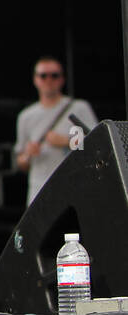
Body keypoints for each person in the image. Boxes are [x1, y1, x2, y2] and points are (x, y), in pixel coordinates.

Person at [14, 56, 97, 205]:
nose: (48, 80)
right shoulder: (26, 116)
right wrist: (28, 154)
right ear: (35, 80)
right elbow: (20, 162)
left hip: (74, 186)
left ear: (62, 79)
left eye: (54, 75)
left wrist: (65, 141)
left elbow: (96, 145)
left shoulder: (79, 107)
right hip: (39, 189)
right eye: (43, 76)